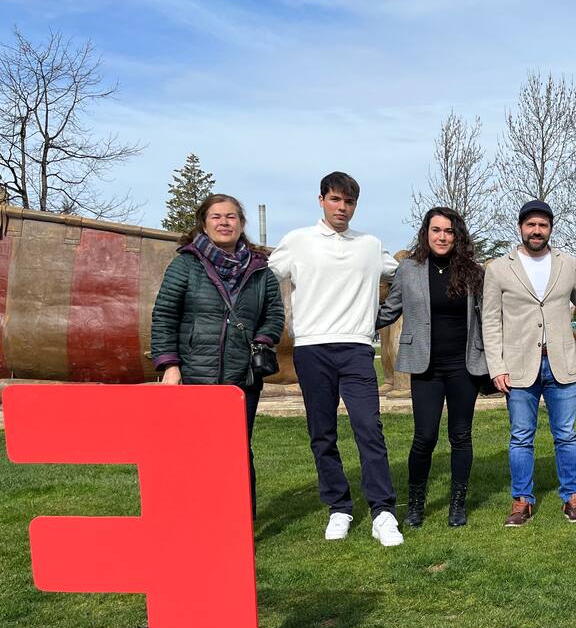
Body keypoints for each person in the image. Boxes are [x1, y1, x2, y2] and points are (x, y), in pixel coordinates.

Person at [268, 172, 403, 547]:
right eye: (336, 200)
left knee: (368, 430)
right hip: (311, 350)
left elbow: (407, 275)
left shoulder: (370, 245)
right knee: (322, 433)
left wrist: (381, 317)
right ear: (322, 200)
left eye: (349, 202)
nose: (342, 208)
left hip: (357, 348)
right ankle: (339, 508)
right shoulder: (297, 242)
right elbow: (261, 277)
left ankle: (383, 511)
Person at [152, 194, 285, 518]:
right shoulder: (186, 264)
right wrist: (170, 366)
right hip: (197, 373)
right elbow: (165, 315)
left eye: (231, 217)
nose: (224, 222)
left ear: (241, 223)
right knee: (194, 451)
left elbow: (274, 313)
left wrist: (261, 341)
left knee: (238, 450)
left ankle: (240, 523)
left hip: (243, 377)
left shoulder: (259, 269)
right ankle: (196, 517)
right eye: (216, 216)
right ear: (204, 222)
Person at [377, 206, 488, 528]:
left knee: (461, 436)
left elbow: (486, 317)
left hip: (464, 366)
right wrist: (356, 326)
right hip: (425, 366)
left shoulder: (472, 271)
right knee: (424, 437)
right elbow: (391, 309)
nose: (442, 237)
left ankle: (457, 504)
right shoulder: (409, 269)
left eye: (449, 231)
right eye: (436, 230)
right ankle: (415, 504)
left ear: (457, 236)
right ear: (427, 233)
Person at [482, 200, 576, 526]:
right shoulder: (499, 268)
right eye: (531, 225)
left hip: (561, 365)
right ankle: (521, 501)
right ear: (521, 228)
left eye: (543, 225)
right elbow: (490, 320)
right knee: (520, 437)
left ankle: (572, 496)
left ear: (550, 229)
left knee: (566, 436)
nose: (537, 230)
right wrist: (497, 367)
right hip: (518, 367)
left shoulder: (567, 264)